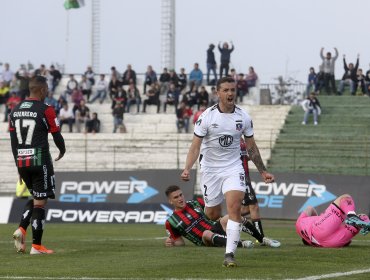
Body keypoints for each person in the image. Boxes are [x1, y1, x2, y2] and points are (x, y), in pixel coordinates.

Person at [181, 76, 275, 267]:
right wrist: (187, 168)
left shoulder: (244, 117)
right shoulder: (206, 117)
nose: (230, 93)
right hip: (210, 170)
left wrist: (263, 171)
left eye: (233, 90)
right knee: (212, 213)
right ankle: (232, 223)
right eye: (226, 90)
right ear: (218, 93)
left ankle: (229, 255)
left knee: (234, 208)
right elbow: (194, 147)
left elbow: (251, 147)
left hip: (233, 167)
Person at [9, 75, 66, 254]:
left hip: (22, 161)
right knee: (41, 203)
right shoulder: (46, 109)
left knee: (36, 198)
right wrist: (62, 150)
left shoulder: (15, 109)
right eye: (47, 89)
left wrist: (18, 165)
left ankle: (22, 229)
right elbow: (56, 134)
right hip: (40, 160)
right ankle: (37, 246)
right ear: (41, 90)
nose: (47, 92)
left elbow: (13, 141)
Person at [165, 185, 255, 248]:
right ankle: (241, 243)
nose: (180, 198)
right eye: (176, 197)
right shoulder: (171, 221)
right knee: (206, 233)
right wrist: (171, 242)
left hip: (217, 228)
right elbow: (180, 242)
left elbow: (213, 214)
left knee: (230, 217)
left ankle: (261, 238)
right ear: (170, 201)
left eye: (181, 195)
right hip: (205, 239)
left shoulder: (196, 203)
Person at [240, 137, 281, 248]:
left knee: (244, 209)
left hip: (245, 176)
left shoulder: (242, 139)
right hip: (239, 177)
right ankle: (261, 237)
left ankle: (225, 222)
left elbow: (244, 156)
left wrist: (251, 158)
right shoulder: (231, 137)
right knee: (254, 206)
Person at [296, 194, 370, 248]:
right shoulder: (299, 225)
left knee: (362, 217)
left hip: (330, 244)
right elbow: (309, 208)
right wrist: (319, 218)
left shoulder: (310, 239)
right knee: (345, 197)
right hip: (320, 229)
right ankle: (352, 216)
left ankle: (365, 222)